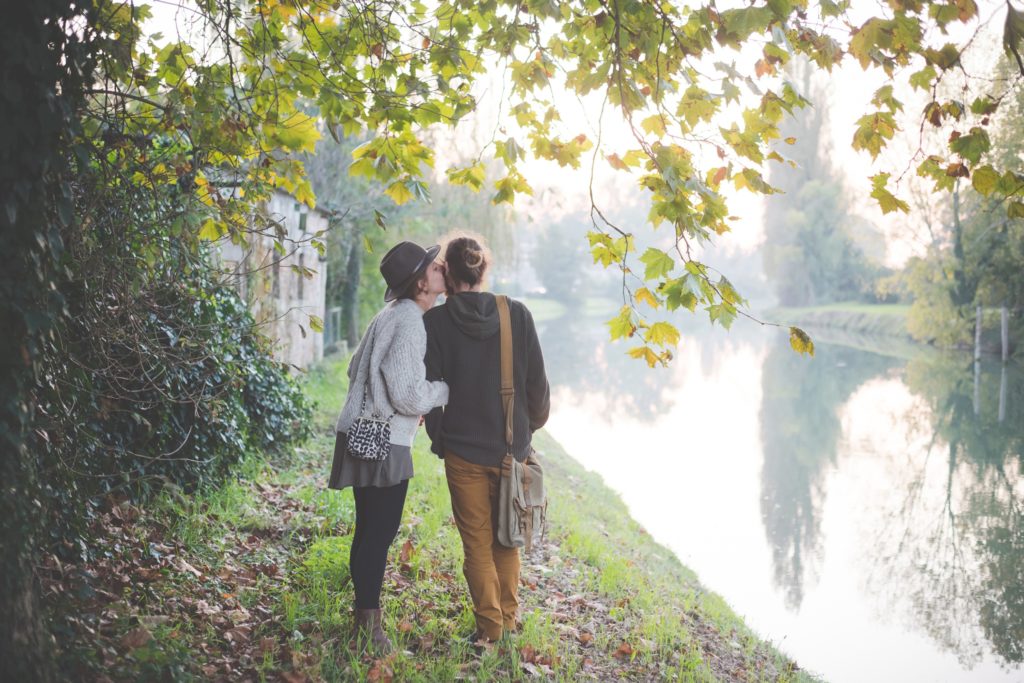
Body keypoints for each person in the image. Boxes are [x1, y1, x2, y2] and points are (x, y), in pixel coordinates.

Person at [423, 234, 550, 644]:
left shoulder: (435, 323)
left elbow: (432, 389)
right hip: (511, 451)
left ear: (448, 272)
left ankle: (489, 629)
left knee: (476, 544)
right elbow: (538, 389)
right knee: (507, 538)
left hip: (461, 451)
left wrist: (441, 440)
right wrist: (528, 433)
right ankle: (507, 623)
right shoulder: (517, 314)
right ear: (483, 270)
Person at [328, 240, 449, 654]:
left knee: (367, 531)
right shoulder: (412, 321)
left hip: (360, 431)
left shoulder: (389, 314)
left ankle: (363, 616)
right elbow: (410, 394)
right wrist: (442, 391)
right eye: (434, 267)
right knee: (379, 535)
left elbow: (353, 367)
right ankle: (368, 628)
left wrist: (386, 398)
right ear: (421, 282)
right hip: (382, 440)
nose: (441, 270)